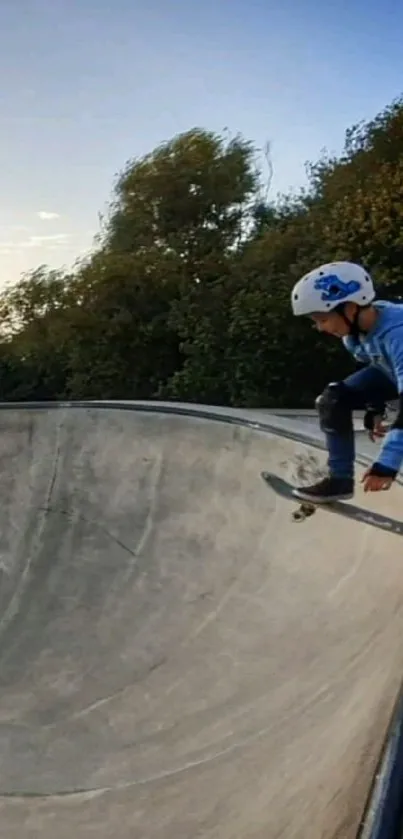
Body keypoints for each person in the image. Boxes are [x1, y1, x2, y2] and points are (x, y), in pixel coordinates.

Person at [290, 260, 403, 502]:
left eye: (322, 318)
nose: (320, 328)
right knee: (333, 400)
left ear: (350, 308)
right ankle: (339, 480)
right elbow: (378, 366)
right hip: (391, 373)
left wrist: (387, 464)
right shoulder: (354, 335)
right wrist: (375, 407)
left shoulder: (398, 333)